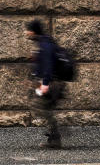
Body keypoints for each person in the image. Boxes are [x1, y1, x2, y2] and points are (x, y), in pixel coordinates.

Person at [26, 19, 65, 149]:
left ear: (34, 31)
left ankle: (56, 135)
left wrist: (45, 84)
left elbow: (48, 65)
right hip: (48, 82)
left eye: (29, 30)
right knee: (44, 107)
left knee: (38, 106)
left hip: (52, 83)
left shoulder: (45, 44)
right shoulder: (43, 43)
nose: (27, 32)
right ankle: (54, 135)